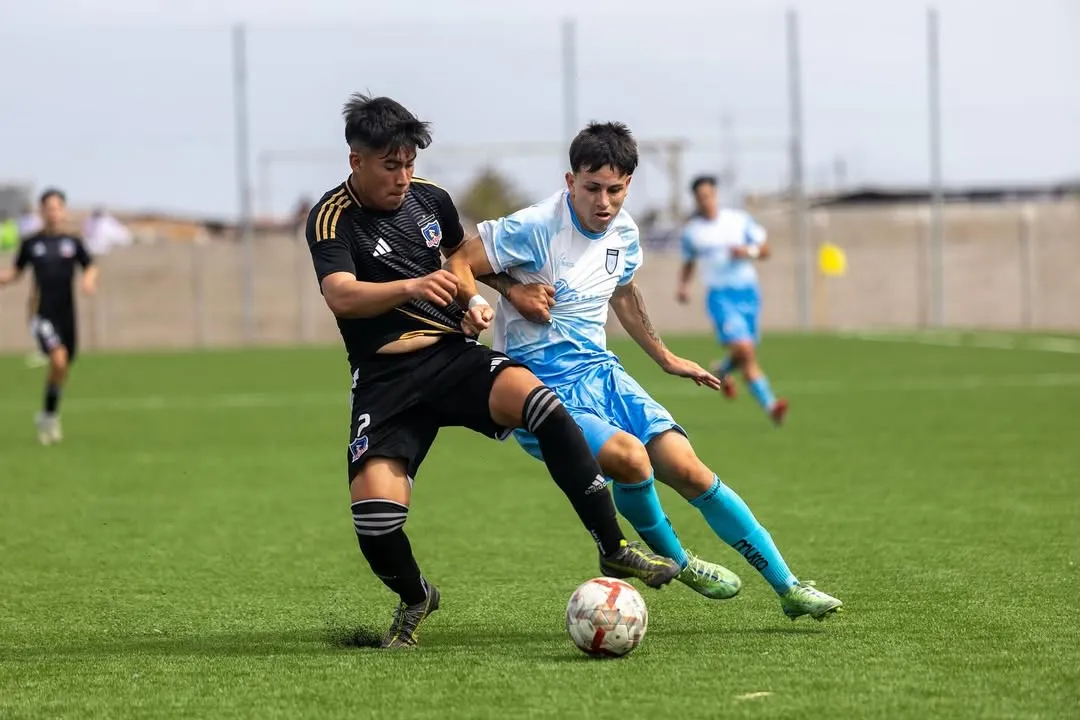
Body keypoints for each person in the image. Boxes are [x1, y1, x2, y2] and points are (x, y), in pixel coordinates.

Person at [304, 94, 681, 649]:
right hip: (387, 380)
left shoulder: (431, 200)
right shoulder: (332, 215)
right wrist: (411, 287)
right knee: (376, 521)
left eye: (409, 163)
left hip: (452, 356)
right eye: (391, 166)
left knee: (545, 406)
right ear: (356, 160)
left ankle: (612, 545)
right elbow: (341, 296)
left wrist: (481, 301)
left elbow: (467, 266)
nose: (404, 177)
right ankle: (416, 596)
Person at [446, 122, 843, 621]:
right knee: (632, 460)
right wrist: (507, 291)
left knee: (689, 469)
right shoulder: (536, 225)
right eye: (591, 188)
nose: (603, 201)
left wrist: (665, 357)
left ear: (628, 185)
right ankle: (679, 561)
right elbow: (459, 258)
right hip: (538, 387)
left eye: (615, 189)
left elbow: (625, 295)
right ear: (570, 182)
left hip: (602, 373)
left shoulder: (626, 232)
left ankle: (789, 588)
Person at [676, 176, 788, 425]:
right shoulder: (693, 232)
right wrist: (683, 286)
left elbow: (766, 250)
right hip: (720, 296)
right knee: (745, 350)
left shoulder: (738, 221)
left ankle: (723, 370)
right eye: (701, 197)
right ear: (696, 199)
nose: (706, 201)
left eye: (709, 195)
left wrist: (748, 251)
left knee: (746, 354)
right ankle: (771, 406)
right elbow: (688, 262)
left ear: (715, 195)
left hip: (748, 292)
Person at [0, 188, 98, 444]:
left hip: (67, 313)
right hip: (41, 313)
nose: (53, 212)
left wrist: (88, 281)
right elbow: (16, 271)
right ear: (41, 211)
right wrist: (4, 278)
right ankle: (48, 415)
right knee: (58, 360)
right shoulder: (32, 243)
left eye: (57, 208)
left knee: (62, 367)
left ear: (62, 210)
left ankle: (48, 414)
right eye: (48, 208)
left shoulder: (73, 241)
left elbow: (90, 265)